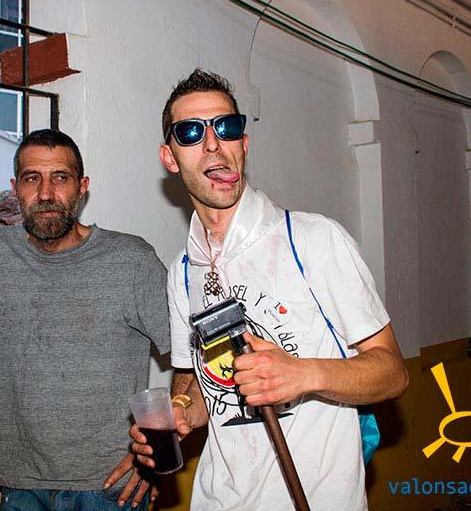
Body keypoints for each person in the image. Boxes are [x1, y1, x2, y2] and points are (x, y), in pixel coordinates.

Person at [130, 69, 410, 510]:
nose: (212, 144)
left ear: (244, 143)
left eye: (226, 127)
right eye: (191, 132)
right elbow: (201, 385)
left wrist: (304, 375)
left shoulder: (313, 240)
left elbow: (393, 372)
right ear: (170, 157)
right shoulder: (182, 272)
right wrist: (182, 410)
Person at [0, 129, 170, 510]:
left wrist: (157, 453)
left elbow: (192, 354)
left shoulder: (131, 260)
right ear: (15, 188)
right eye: (32, 179)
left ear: (82, 187)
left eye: (60, 177)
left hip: (110, 488)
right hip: (20, 487)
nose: (46, 193)